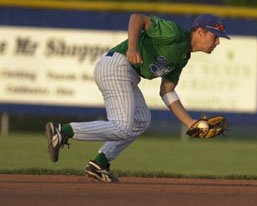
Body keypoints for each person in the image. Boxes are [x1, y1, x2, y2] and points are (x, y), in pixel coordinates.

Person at [45, 13, 230, 183]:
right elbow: (137, 18)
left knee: (141, 121)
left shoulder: (183, 57)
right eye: (215, 37)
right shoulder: (174, 33)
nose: (218, 43)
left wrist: (190, 123)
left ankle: (99, 163)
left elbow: (167, 91)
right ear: (200, 32)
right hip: (117, 65)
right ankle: (63, 131)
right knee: (122, 126)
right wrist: (132, 48)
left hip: (127, 74)